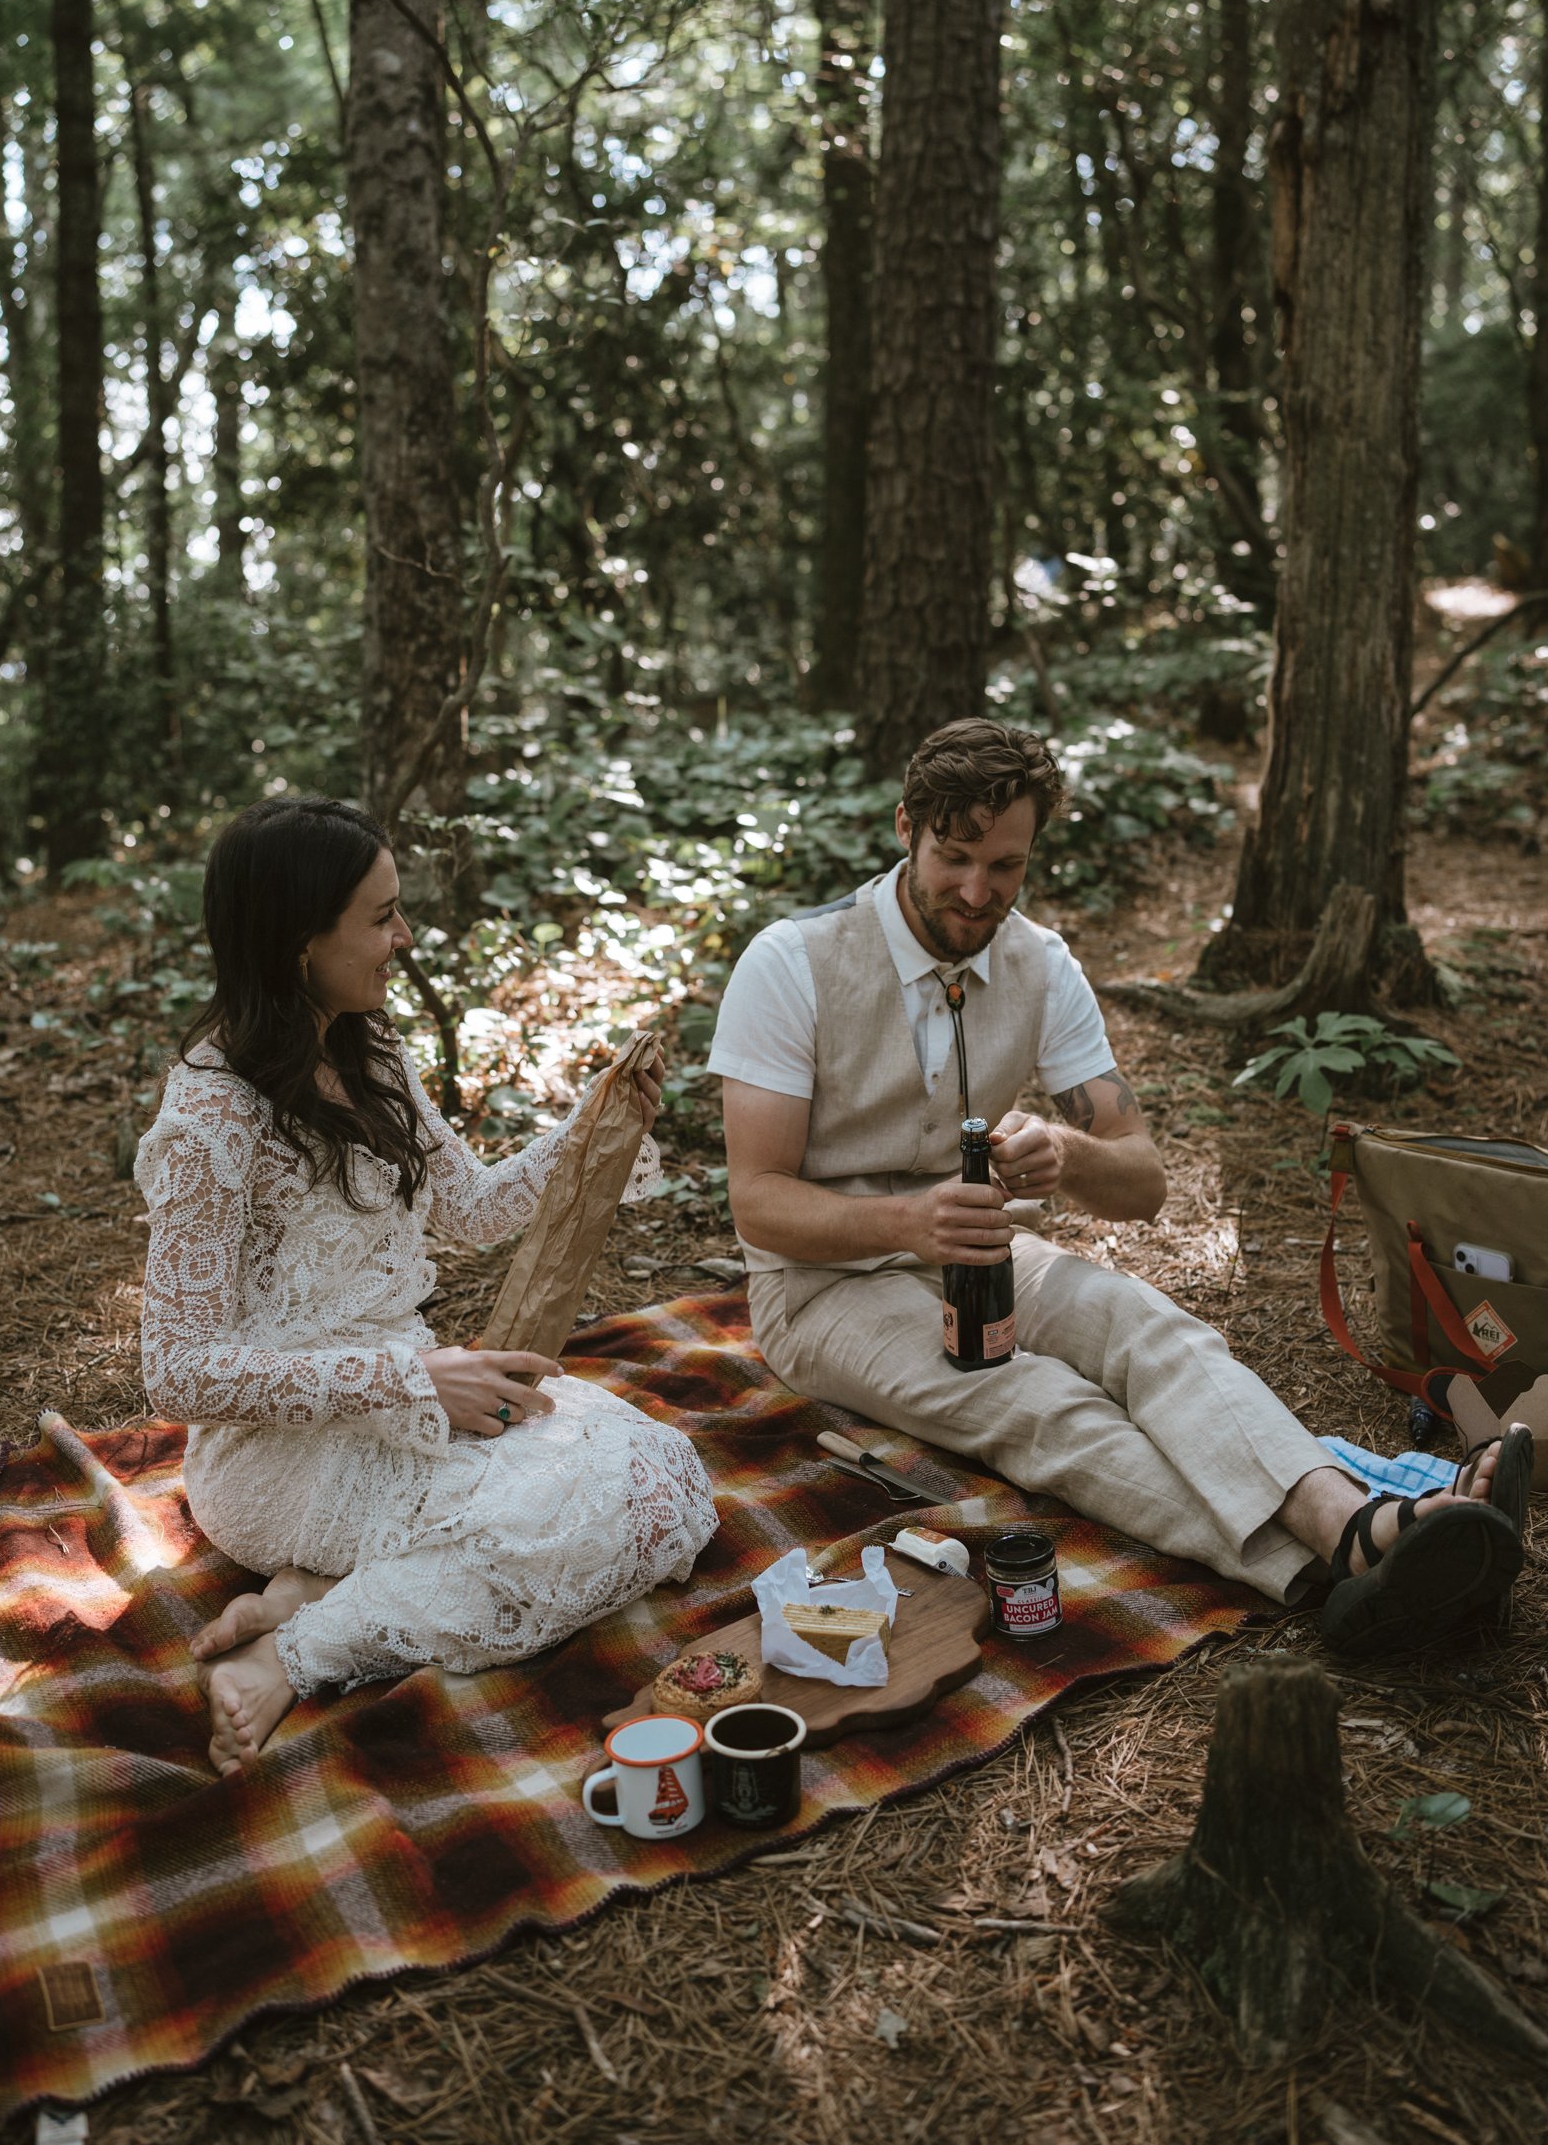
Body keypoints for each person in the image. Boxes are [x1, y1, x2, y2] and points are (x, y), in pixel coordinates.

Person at [709, 718, 1531, 1656]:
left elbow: (1142, 1183)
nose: (978, 892)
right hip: (821, 1291)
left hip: (987, 1257)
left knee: (1152, 1331)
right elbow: (758, 1200)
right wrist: (911, 1220)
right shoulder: (791, 964)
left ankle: (1352, 1525)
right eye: (955, 856)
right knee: (1039, 1403)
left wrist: (1068, 1149)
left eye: (1006, 866)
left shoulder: (1039, 965)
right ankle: (1339, 1560)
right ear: (906, 828)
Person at [136, 797, 717, 1776]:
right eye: (381, 916)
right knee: (545, 1530)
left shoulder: (369, 1049)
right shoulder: (209, 1119)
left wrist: (593, 1127)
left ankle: (302, 1595)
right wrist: (410, 1383)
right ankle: (288, 1654)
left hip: (409, 1387)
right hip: (278, 1451)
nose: (403, 937)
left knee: (658, 1477)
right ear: (298, 940)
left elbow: (477, 1208)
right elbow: (177, 1374)